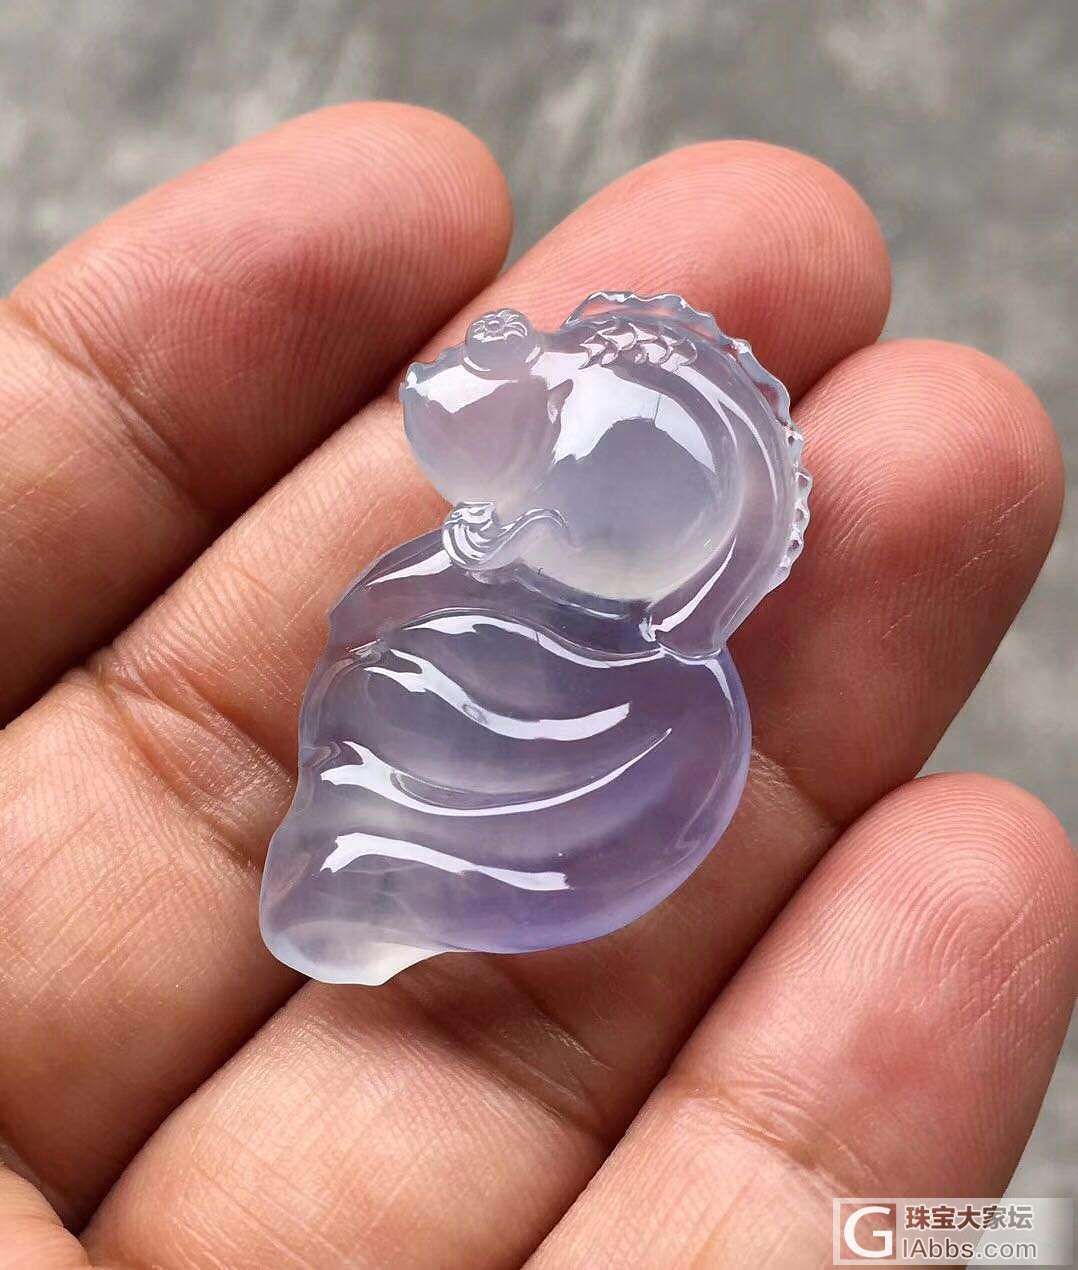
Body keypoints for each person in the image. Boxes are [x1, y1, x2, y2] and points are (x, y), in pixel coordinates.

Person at [0, 103, 1072, 1268]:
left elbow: (396, 596)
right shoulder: (479, 559)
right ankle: (356, 884)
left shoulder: (653, 685)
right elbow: (370, 612)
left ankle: (369, 889)